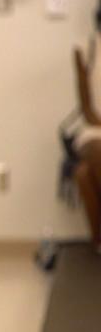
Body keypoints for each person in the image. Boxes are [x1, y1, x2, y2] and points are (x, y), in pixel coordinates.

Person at [73, 48, 101, 251]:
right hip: (96, 129)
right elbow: (87, 110)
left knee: (83, 174)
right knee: (97, 149)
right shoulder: (89, 50)